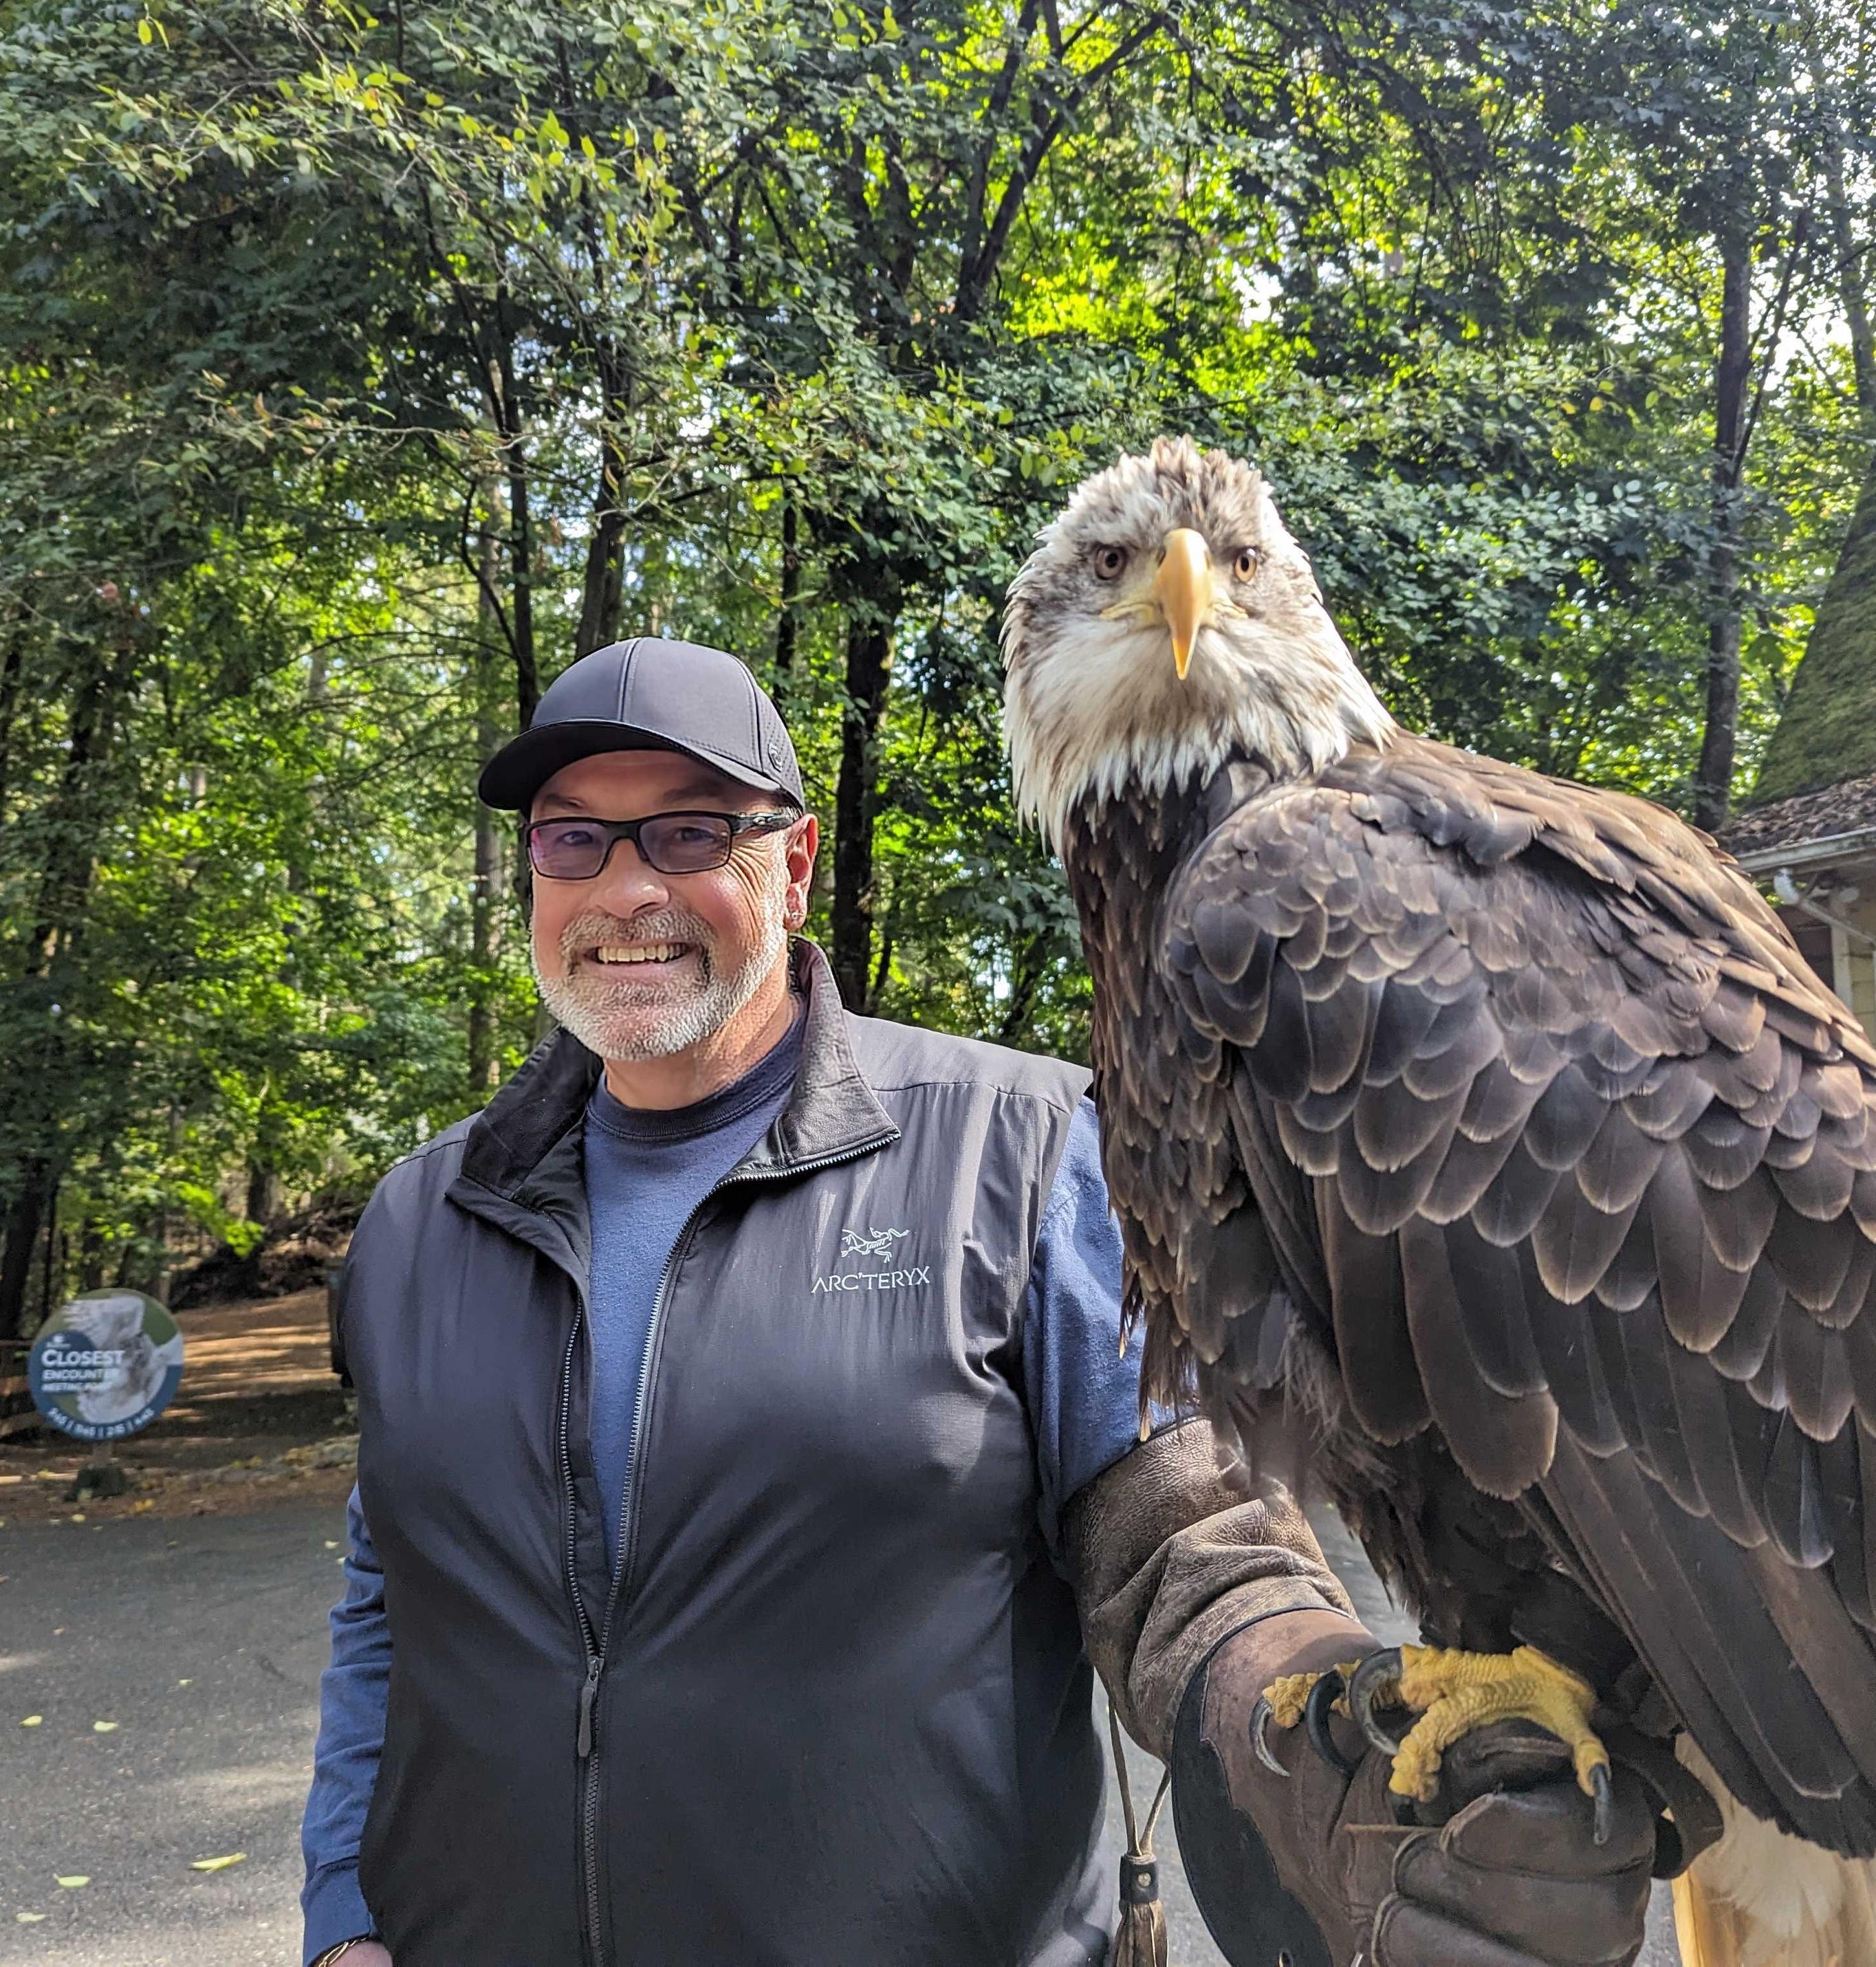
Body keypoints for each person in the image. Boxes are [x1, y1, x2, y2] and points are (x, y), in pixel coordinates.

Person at [301, 635, 1659, 1967]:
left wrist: (1298, 1723)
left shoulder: (1023, 1155)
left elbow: (1192, 1549)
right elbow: (390, 1594)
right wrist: (342, 1916)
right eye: (572, 840)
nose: (624, 889)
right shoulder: (428, 1218)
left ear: (793, 867)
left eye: (689, 833)